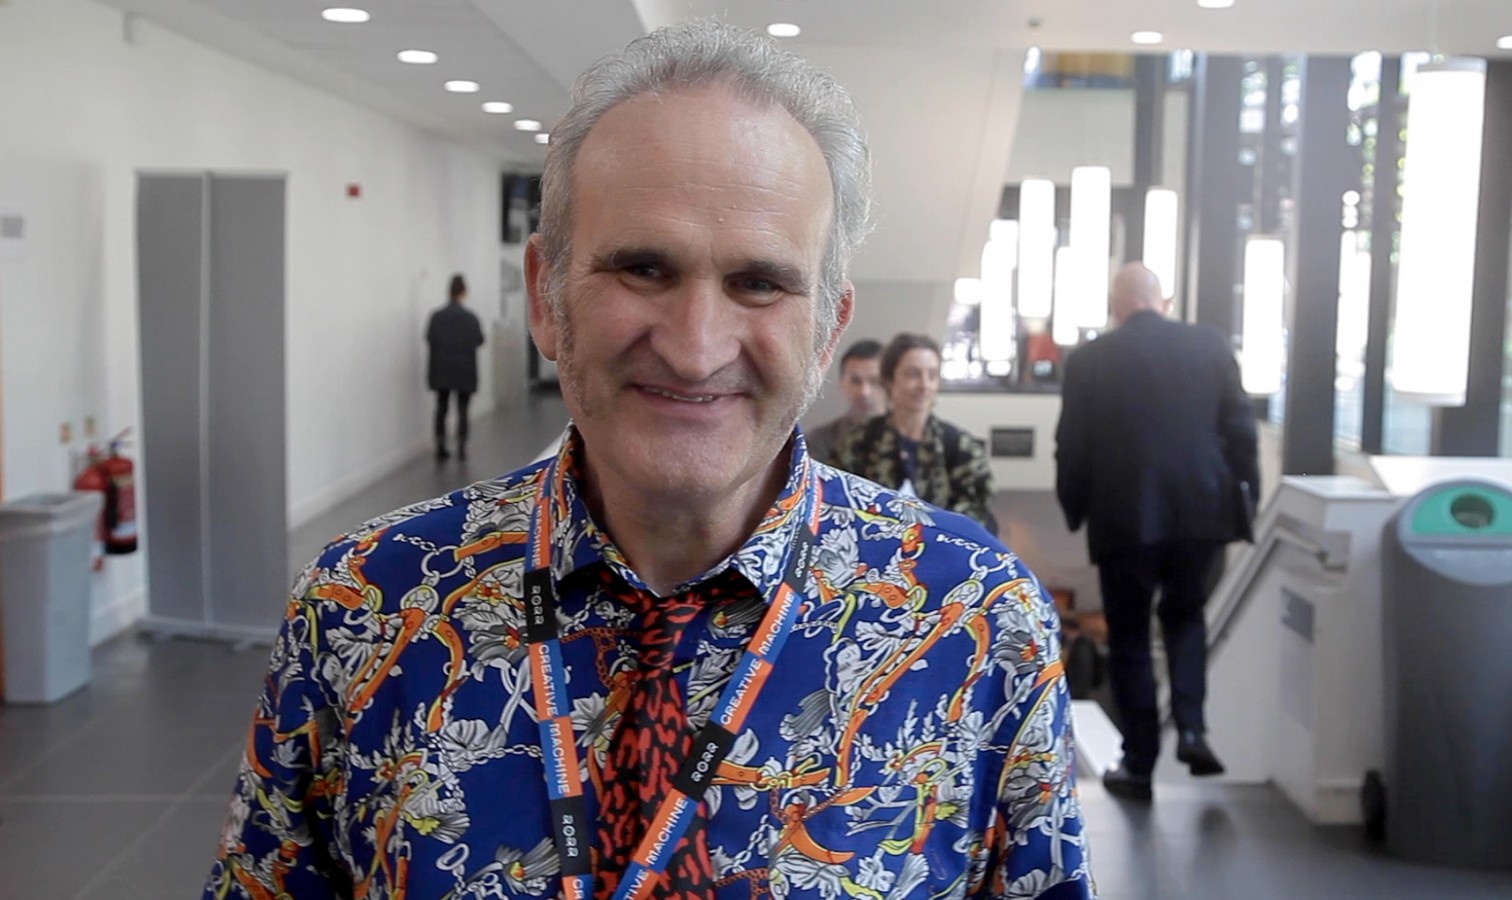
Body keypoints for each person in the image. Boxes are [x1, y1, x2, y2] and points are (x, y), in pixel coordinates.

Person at [205, 22, 1092, 900]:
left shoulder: (977, 624)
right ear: (547, 298)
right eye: (642, 269)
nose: (696, 349)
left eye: (759, 282)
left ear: (827, 330)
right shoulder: (362, 608)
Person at [1053, 262, 1260, 802]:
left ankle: (1139, 763)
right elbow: (1241, 429)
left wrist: (1074, 508)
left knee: (1129, 637)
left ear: (1116, 307)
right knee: (1186, 618)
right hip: (1203, 512)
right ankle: (1192, 728)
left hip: (1124, 516)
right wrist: (1248, 498)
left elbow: (1072, 444)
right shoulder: (1210, 345)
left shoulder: (1091, 359)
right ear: (1163, 301)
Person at [831, 332, 998, 531]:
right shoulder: (859, 441)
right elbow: (837, 505)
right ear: (889, 379)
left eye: (932, 375)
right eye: (913, 374)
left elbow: (977, 516)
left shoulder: (959, 447)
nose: (924, 385)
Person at [427, 273, 485, 460]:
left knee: (441, 407)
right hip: (464, 370)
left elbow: (430, 338)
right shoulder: (470, 318)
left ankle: (440, 446)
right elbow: (479, 340)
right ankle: (461, 447)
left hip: (441, 370)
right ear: (464, 292)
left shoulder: (436, 317)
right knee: (463, 409)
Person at [802, 338, 884, 461]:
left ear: (891, 383)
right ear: (842, 383)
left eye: (875, 381)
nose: (864, 392)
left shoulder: (909, 438)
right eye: (855, 381)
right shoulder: (819, 441)